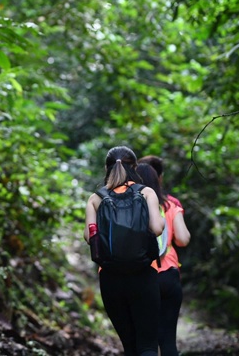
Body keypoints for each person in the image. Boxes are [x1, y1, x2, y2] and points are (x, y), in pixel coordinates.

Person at [84, 146, 165, 356]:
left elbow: (88, 237)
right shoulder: (146, 193)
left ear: (107, 168)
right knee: (147, 345)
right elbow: (156, 229)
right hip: (143, 275)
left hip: (111, 279)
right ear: (135, 167)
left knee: (129, 346)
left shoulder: (96, 198)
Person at [136, 162, 191, 356]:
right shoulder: (170, 204)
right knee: (168, 340)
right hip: (169, 274)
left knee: (145, 342)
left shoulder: (133, 205)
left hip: (142, 276)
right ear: (159, 179)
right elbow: (183, 239)